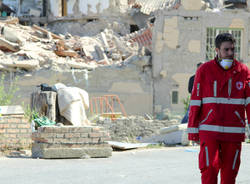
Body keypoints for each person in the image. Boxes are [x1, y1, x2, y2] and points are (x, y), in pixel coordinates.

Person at [187, 33, 250, 184]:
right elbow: (195, 101)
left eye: (232, 50)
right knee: (209, 171)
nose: (230, 53)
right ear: (217, 50)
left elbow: (249, 102)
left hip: (233, 132)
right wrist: (193, 130)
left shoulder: (243, 71)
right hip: (209, 131)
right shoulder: (204, 70)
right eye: (226, 50)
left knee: (230, 175)